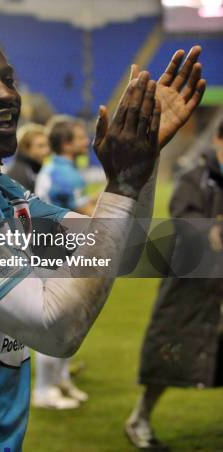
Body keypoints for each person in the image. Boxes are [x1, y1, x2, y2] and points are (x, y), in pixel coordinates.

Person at [0, 22, 204, 451]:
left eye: (8, 79)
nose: (6, 93)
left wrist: (142, 163)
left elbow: (125, 248)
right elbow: (55, 329)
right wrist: (119, 187)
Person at [125, 118, 223, 451]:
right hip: (191, 289)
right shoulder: (195, 178)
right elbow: (187, 222)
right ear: (219, 142)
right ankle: (139, 419)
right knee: (167, 355)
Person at [32, 117, 92, 409]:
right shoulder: (66, 174)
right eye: (81, 136)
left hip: (52, 248)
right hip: (55, 253)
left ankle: (61, 379)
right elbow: (90, 215)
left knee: (68, 322)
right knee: (56, 323)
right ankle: (44, 390)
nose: (87, 141)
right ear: (67, 143)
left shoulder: (58, 167)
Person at [7, 123, 50, 192]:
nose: (47, 150)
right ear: (25, 148)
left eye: (48, 145)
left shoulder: (35, 168)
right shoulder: (17, 174)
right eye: (41, 146)